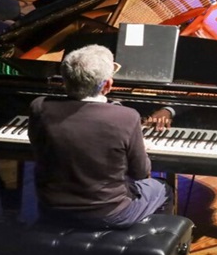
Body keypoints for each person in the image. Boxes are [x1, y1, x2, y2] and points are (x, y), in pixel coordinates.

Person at [28, 44, 173, 228]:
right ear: (107, 85)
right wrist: (139, 148)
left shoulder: (39, 106)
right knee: (162, 188)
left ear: (64, 80)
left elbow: (37, 146)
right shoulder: (126, 117)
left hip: (51, 208)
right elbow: (140, 173)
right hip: (107, 214)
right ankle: (155, 241)